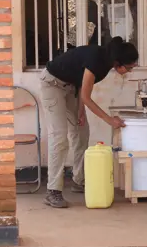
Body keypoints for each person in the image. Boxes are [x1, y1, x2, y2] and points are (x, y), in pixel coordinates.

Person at [39, 37, 138, 208]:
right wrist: (109, 120)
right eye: (129, 67)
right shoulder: (96, 59)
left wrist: (80, 111)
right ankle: (53, 191)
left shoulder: (106, 64)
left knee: (81, 131)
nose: (129, 71)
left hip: (71, 88)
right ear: (119, 63)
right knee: (59, 136)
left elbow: (80, 83)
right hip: (52, 85)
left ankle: (79, 180)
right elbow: (86, 96)